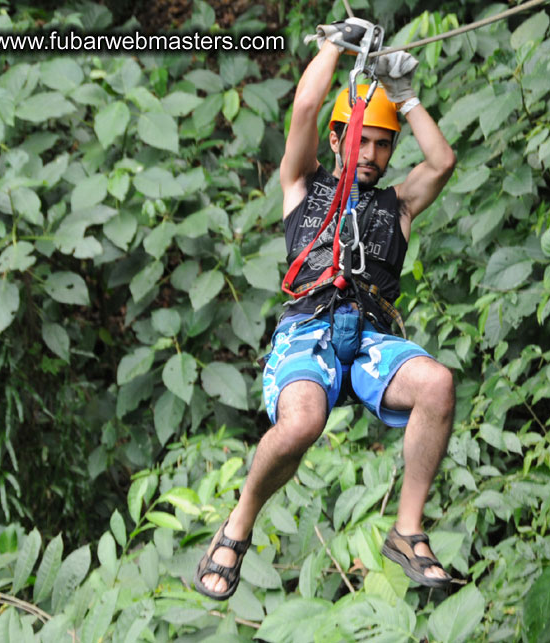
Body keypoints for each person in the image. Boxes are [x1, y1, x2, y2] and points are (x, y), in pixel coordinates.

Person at [194, 18, 457, 600]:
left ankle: (407, 529)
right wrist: (336, 47)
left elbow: (441, 162)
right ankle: (239, 523)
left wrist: (406, 97)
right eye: (360, 139)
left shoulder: (399, 205)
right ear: (340, 139)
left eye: (382, 143)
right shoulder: (302, 185)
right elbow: (306, 109)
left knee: (437, 384)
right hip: (307, 329)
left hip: (367, 337)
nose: (371, 152)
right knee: (302, 423)